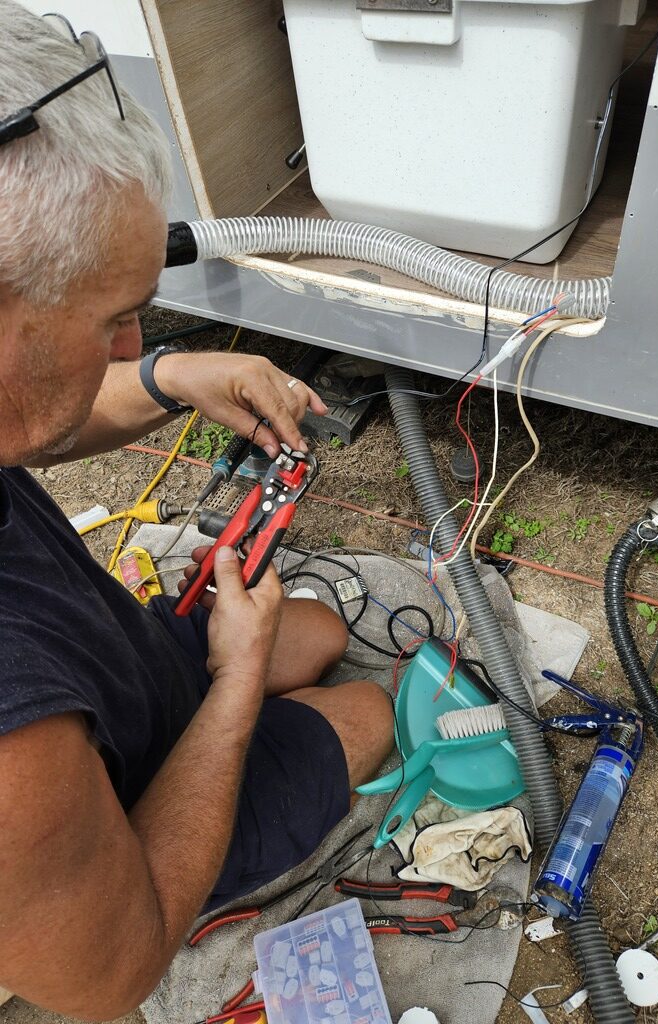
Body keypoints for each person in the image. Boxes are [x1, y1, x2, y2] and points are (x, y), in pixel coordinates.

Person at [0, 3, 393, 1018]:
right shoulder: (10, 744)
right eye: (117, 320)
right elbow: (109, 976)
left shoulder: (22, 375)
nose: (133, 347)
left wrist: (176, 375)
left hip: (112, 688)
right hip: (111, 845)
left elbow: (34, 411)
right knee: (367, 710)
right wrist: (238, 677)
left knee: (314, 626)